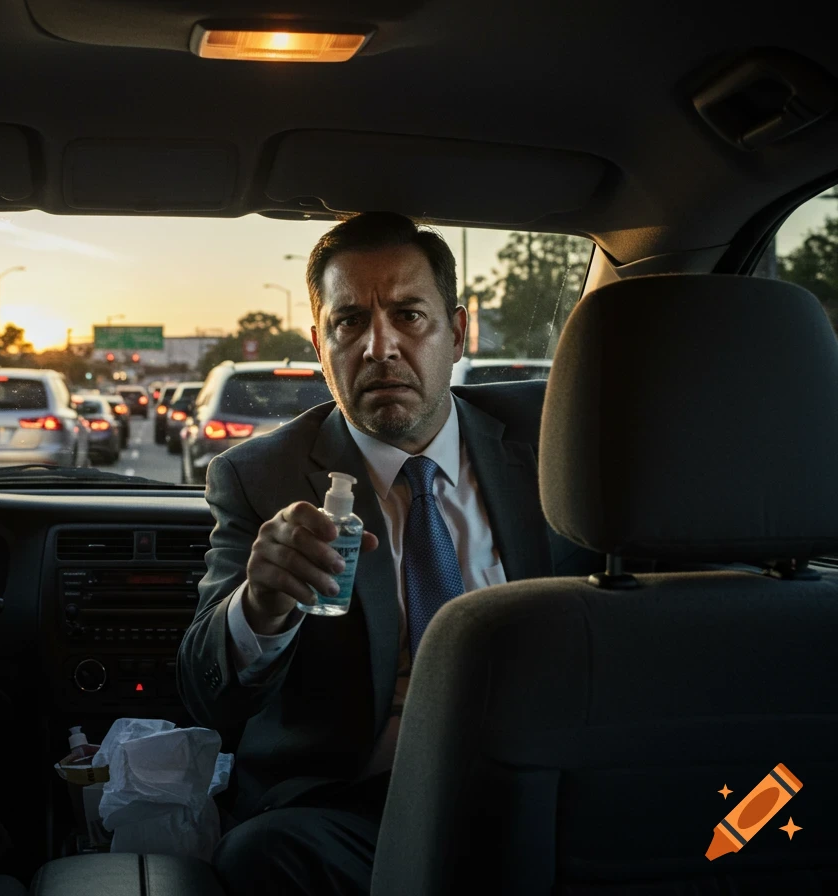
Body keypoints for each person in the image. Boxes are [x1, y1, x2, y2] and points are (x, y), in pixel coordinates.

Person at [177, 212, 599, 896]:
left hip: (542, 786)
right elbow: (207, 693)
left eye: (410, 315)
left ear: (459, 332)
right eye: (349, 322)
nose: (380, 346)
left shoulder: (551, 442)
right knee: (264, 856)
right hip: (355, 807)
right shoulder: (261, 476)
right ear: (319, 344)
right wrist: (259, 604)